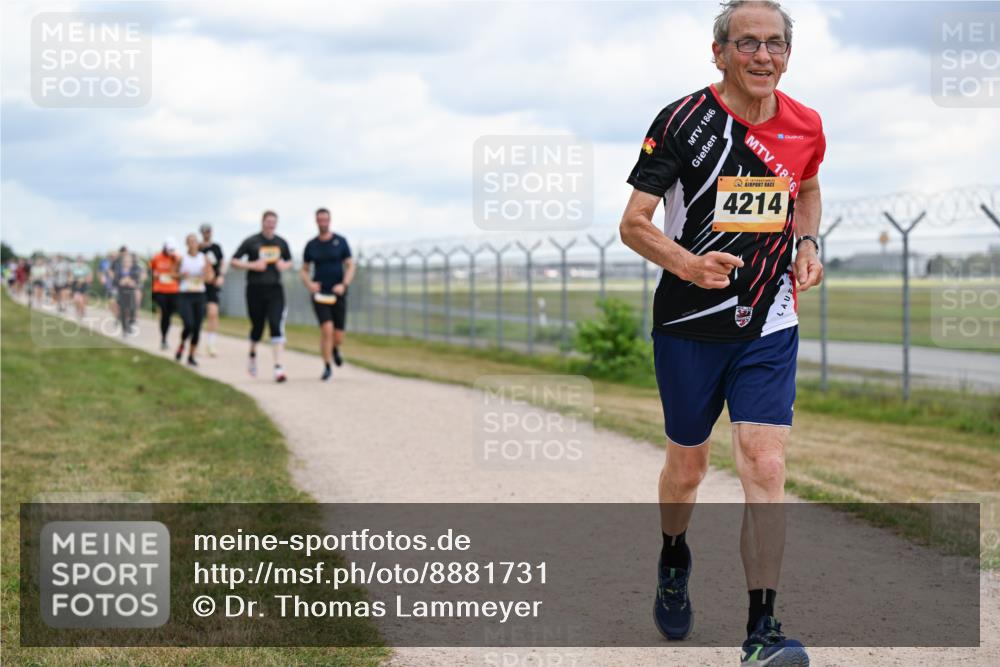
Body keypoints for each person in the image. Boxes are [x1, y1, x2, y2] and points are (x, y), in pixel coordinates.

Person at [618, 2, 825, 665]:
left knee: (765, 463)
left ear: (788, 54)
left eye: (774, 44)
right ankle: (674, 555)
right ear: (719, 53)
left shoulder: (806, 124)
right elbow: (634, 222)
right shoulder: (682, 121)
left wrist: (807, 241)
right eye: (747, 44)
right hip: (688, 324)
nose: (762, 56)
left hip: (769, 318)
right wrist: (688, 262)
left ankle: (762, 630)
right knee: (688, 468)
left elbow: (808, 186)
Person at [231, 210, 293, 382]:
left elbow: (290, 261)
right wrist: (252, 265)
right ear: (262, 222)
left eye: (274, 221)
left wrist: (284, 265)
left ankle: (278, 367)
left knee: (276, 324)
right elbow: (234, 261)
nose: (271, 224)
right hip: (255, 290)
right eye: (268, 221)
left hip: (275, 289)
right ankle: (252, 354)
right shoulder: (252, 241)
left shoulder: (281, 242)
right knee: (257, 327)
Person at [300, 207, 354, 380]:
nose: (323, 222)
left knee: (338, 336)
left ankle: (335, 348)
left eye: (326, 219)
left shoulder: (340, 241)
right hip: (320, 294)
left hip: (337, 292)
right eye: (320, 220)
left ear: (329, 220)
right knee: (327, 329)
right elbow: (304, 270)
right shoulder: (311, 245)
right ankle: (327, 366)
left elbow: (351, 265)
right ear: (316, 221)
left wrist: (344, 284)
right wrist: (309, 284)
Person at [175, 233, 215, 366]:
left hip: (199, 294)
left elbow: (210, 277)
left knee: (197, 327)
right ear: (186, 244)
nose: (192, 243)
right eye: (190, 241)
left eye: (194, 241)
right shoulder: (182, 259)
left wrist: (205, 274)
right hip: (185, 294)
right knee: (189, 324)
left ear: (198, 244)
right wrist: (181, 275)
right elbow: (172, 274)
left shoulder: (204, 258)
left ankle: (191, 356)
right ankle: (182, 344)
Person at [198, 223, 225, 357]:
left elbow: (222, 263)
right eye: (204, 232)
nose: (207, 234)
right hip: (198, 285)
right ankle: (194, 342)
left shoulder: (216, 248)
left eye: (208, 231)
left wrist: (220, 276)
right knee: (197, 315)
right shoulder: (197, 248)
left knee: (213, 313)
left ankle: (211, 343)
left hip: (212, 285)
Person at [150, 239, 181, 350]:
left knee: (168, 315)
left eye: (173, 250)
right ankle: (163, 338)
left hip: (173, 290)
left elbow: (181, 273)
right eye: (169, 250)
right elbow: (151, 269)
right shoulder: (157, 257)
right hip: (160, 289)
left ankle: (164, 336)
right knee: (164, 312)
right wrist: (154, 274)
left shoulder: (177, 258)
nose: (171, 252)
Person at [111, 249, 142, 335]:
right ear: (123, 262)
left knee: (131, 309)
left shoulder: (135, 271)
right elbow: (115, 282)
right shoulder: (119, 271)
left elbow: (137, 282)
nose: (127, 263)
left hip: (131, 293)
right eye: (125, 261)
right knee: (124, 310)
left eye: (129, 261)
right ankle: (125, 329)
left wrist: (130, 282)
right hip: (121, 293)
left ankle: (130, 323)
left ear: (131, 262)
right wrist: (121, 282)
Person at [70, 255, 92, 319]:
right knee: (76, 299)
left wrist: (85, 280)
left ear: (83, 261)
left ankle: (82, 311)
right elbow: (71, 275)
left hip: (84, 285)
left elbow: (89, 276)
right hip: (76, 285)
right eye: (78, 260)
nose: (79, 261)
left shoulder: (86, 267)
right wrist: (71, 280)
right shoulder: (74, 267)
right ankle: (77, 311)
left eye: (81, 260)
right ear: (77, 260)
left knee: (82, 300)